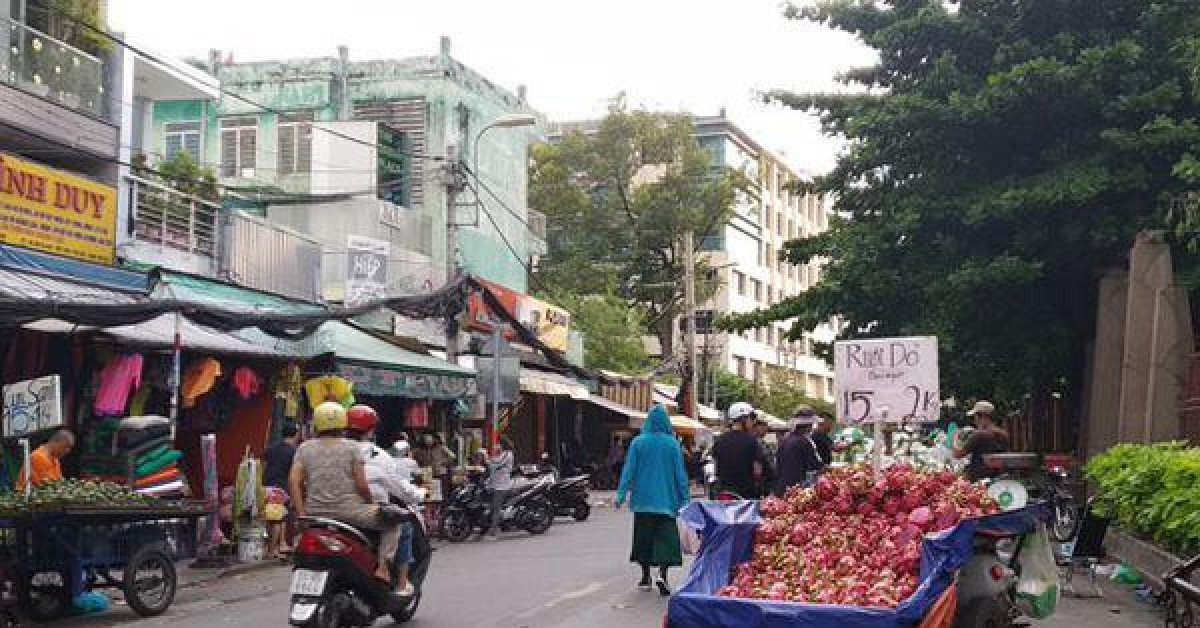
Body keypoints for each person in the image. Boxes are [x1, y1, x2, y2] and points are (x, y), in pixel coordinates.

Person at [289, 402, 400, 586]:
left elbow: (294, 482)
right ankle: (382, 568)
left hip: (315, 514)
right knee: (392, 524)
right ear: (342, 424)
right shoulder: (352, 448)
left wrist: (302, 514)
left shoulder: (304, 448)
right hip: (351, 512)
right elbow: (362, 485)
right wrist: (371, 504)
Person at [346, 405, 426, 596]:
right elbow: (399, 487)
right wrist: (419, 494)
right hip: (367, 512)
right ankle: (400, 580)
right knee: (403, 527)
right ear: (372, 430)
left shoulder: (334, 452)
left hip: (332, 511)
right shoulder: (378, 456)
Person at [615, 405, 690, 596]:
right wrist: (685, 499)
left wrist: (621, 494)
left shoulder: (638, 443)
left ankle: (645, 576)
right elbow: (680, 474)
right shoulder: (672, 444)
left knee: (644, 540)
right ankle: (662, 574)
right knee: (665, 541)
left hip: (642, 501)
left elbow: (629, 470)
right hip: (666, 502)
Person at [711, 402, 770, 498]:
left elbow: (716, 467)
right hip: (746, 496)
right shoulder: (752, 441)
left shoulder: (719, 440)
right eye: (751, 418)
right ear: (743, 419)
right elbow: (758, 471)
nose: (753, 422)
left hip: (724, 495)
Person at [263, 424, 300, 557]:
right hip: (281, 489)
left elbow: (264, 466)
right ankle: (273, 550)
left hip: (266, 486)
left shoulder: (271, 448)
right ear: (296, 435)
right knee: (279, 519)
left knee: (269, 517)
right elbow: (293, 474)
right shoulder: (293, 452)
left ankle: (274, 546)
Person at [953, 400, 1010, 482]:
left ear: (981, 416)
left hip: (979, 480)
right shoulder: (1003, 434)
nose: (974, 420)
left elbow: (957, 454)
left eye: (974, 417)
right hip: (998, 479)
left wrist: (955, 436)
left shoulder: (979, 435)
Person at [773, 410, 821, 495]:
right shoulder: (804, 441)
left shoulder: (785, 440)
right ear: (807, 426)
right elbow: (815, 465)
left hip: (780, 486)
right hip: (795, 488)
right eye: (811, 425)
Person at [482, 437, 515, 540]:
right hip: (495, 485)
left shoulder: (507, 454)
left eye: (497, 444)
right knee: (492, 507)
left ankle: (494, 532)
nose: (496, 446)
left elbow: (496, 464)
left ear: (502, 445)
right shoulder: (499, 455)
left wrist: (487, 459)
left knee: (496, 508)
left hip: (502, 485)